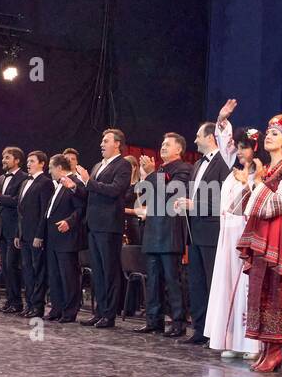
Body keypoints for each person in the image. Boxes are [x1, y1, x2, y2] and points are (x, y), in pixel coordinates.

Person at [235, 115, 282, 372]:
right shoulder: (266, 170)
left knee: (275, 288)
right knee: (260, 287)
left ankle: (275, 350)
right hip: (263, 231)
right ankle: (265, 349)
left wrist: (256, 197)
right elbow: (249, 205)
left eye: (275, 134)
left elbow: (280, 202)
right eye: (268, 132)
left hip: (277, 231)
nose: (269, 136)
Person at [204, 123, 262, 360]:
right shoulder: (232, 174)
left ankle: (250, 343)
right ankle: (228, 338)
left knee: (246, 288)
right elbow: (226, 207)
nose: (240, 151)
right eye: (238, 147)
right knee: (227, 285)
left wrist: (248, 184)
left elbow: (255, 205)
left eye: (244, 147)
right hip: (227, 236)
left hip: (246, 235)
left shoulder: (262, 173)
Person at [181, 106, 236, 344]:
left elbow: (225, 197)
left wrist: (195, 204)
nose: (194, 139)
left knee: (213, 282)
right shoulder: (196, 165)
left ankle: (215, 332)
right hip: (194, 231)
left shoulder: (224, 162)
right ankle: (200, 329)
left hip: (212, 230)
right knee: (197, 282)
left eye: (198, 135)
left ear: (211, 138)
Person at [134, 134, 193, 336]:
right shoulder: (158, 170)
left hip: (169, 231)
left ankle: (178, 321)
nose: (163, 147)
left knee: (172, 279)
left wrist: (150, 175)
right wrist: (144, 177)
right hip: (152, 230)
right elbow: (145, 197)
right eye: (162, 144)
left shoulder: (183, 169)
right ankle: (153, 320)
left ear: (179, 149)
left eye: (167, 144)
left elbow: (172, 193)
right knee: (153, 279)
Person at [73, 129, 133, 328]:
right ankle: (99, 311)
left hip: (109, 225)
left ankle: (109, 314)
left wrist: (89, 181)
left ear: (117, 144)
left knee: (109, 270)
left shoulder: (122, 164)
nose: (101, 144)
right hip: (94, 224)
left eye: (106, 140)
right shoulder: (98, 165)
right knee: (98, 271)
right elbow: (91, 192)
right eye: (102, 140)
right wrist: (76, 187)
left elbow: (115, 190)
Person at [0, 147, 28, 312]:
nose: (3, 160)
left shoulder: (24, 178)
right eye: (3, 157)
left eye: (7, 157)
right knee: (5, 266)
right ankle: (10, 301)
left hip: (15, 229)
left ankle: (17, 302)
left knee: (12, 266)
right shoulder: (1, 178)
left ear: (17, 160)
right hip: (2, 228)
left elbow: (19, 201)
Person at [44, 154, 86, 322]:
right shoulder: (59, 184)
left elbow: (81, 206)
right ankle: (57, 308)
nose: (49, 171)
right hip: (54, 237)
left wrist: (69, 222)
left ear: (60, 168)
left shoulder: (74, 181)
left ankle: (69, 311)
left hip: (67, 237)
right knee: (55, 275)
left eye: (50, 168)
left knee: (68, 276)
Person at [15, 151, 52, 319]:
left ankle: (38, 306)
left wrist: (40, 235)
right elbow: (20, 212)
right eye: (28, 161)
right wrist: (18, 233)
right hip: (24, 234)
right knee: (27, 271)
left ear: (42, 163)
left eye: (32, 161)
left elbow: (45, 211)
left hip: (36, 235)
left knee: (38, 271)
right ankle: (29, 304)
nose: (28, 164)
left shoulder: (45, 183)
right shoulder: (24, 183)